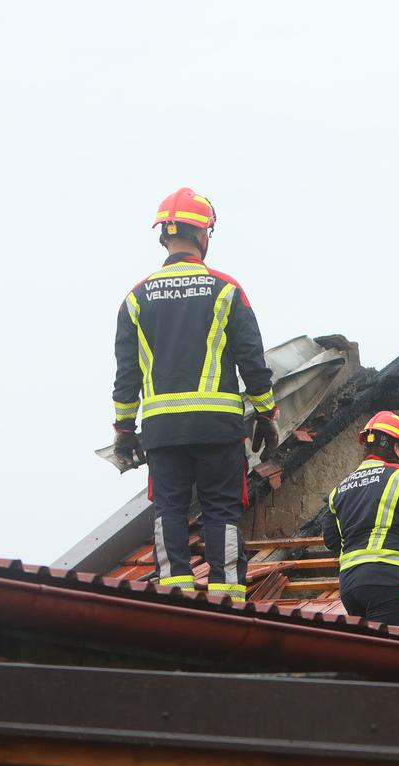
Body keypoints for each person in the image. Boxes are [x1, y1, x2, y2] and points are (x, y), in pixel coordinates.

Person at [112, 187, 278, 599]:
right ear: (204, 234)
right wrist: (266, 413)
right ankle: (228, 596)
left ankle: (175, 593)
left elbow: (127, 375)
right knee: (221, 510)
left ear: (163, 236)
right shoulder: (225, 289)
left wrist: (123, 429)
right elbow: (251, 361)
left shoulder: (136, 298)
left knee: (169, 509)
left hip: (162, 432)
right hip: (217, 427)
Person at [322, 412, 399, 627]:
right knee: (391, 652)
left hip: (350, 586)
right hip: (390, 581)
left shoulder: (339, 489)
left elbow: (332, 541)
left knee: (368, 651)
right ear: (394, 446)